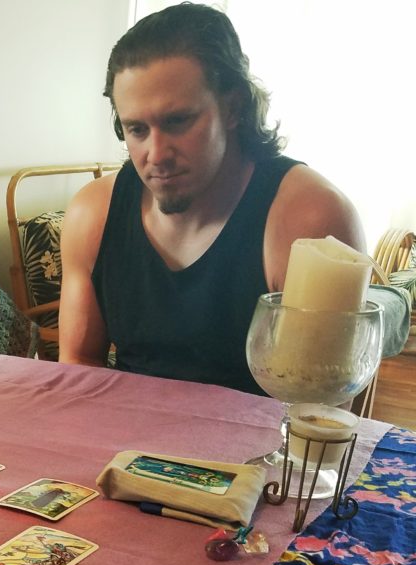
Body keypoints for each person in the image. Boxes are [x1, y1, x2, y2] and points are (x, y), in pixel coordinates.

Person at [57, 3, 365, 394]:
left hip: (257, 447)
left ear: (233, 107)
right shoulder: (93, 214)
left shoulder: (308, 219)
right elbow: (79, 364)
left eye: (177, 121)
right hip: (125, 443)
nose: (156, 154)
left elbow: (318, 406)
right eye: (136, 129)